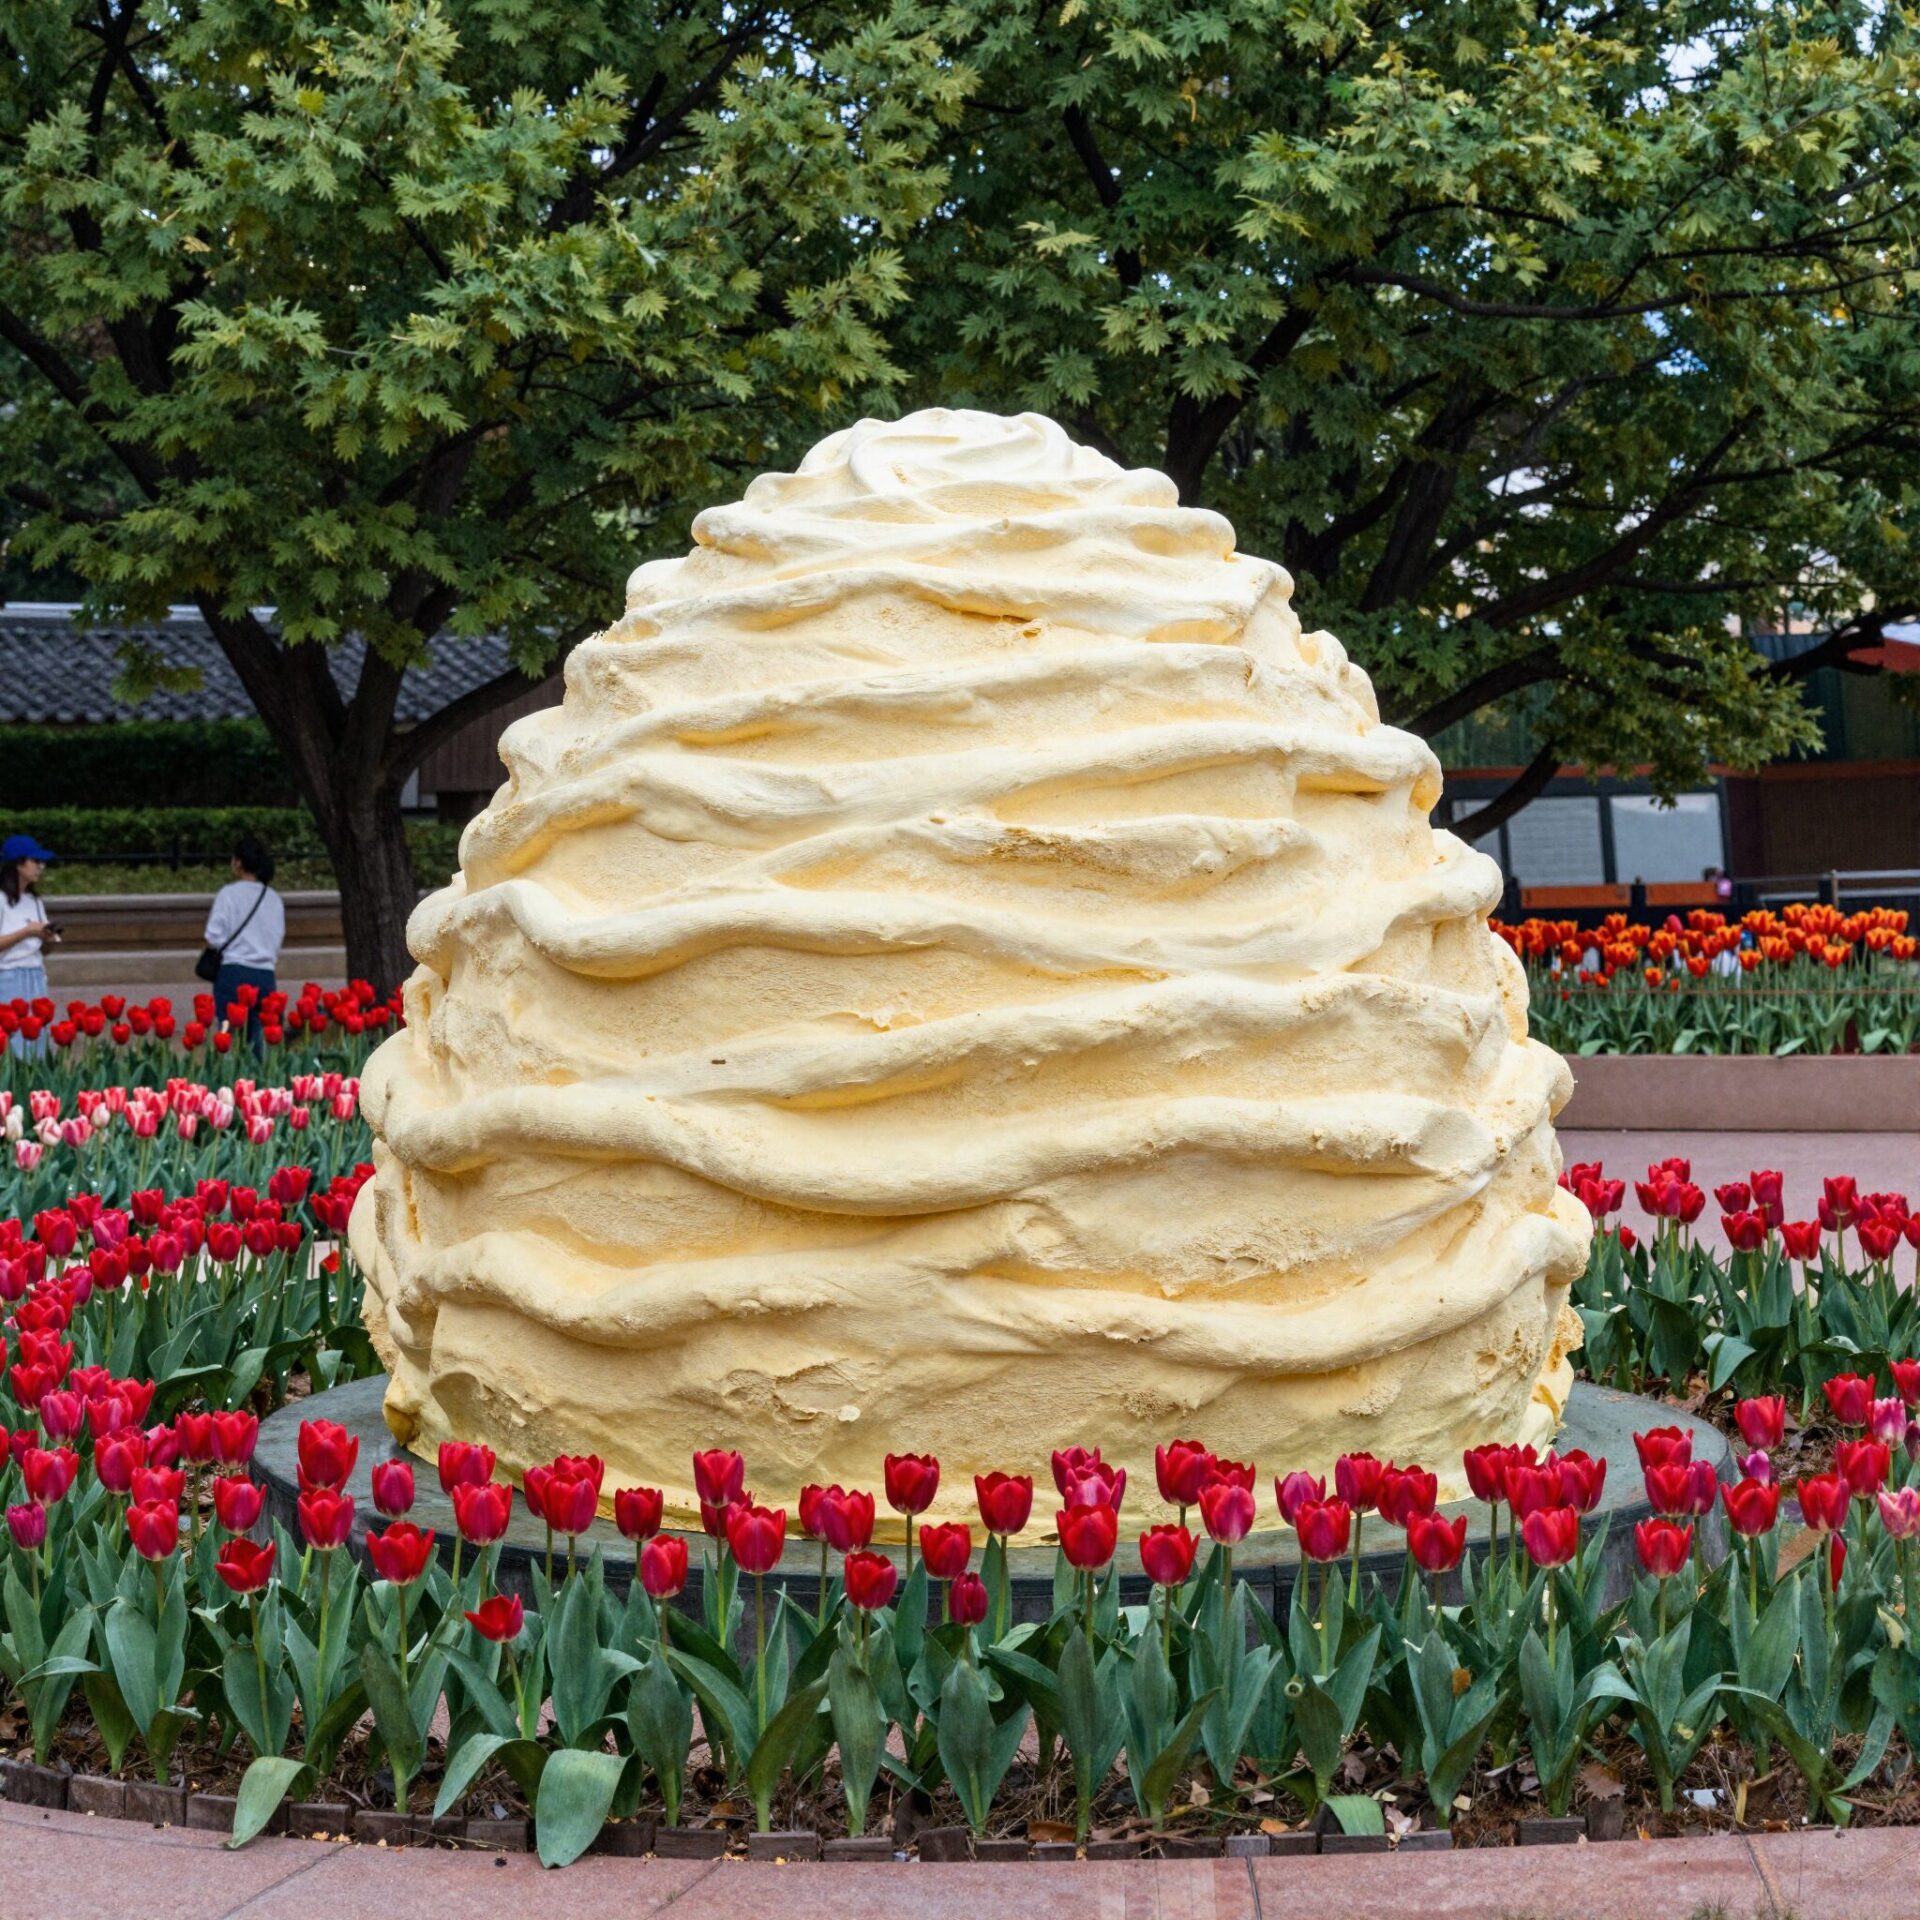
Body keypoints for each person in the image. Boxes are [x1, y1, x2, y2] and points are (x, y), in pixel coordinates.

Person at [204, 835, 286, 1043]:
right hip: (265, 975)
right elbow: (277, 939)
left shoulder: (228, 894)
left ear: (238, 862)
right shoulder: (273, 898)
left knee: (228, 1037)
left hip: (233, 973)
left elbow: (213, 936)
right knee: (259, 1040)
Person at [0, 834, 58, 1059]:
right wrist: (26, 932)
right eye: (35, 861)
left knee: (36, 1045)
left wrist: (47, 939)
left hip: (35, 975)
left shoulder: (34, 901)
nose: (40, 867)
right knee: (13, 1044)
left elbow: (40, 948)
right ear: (18, 863)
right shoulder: (2, 900)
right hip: (8, 978)